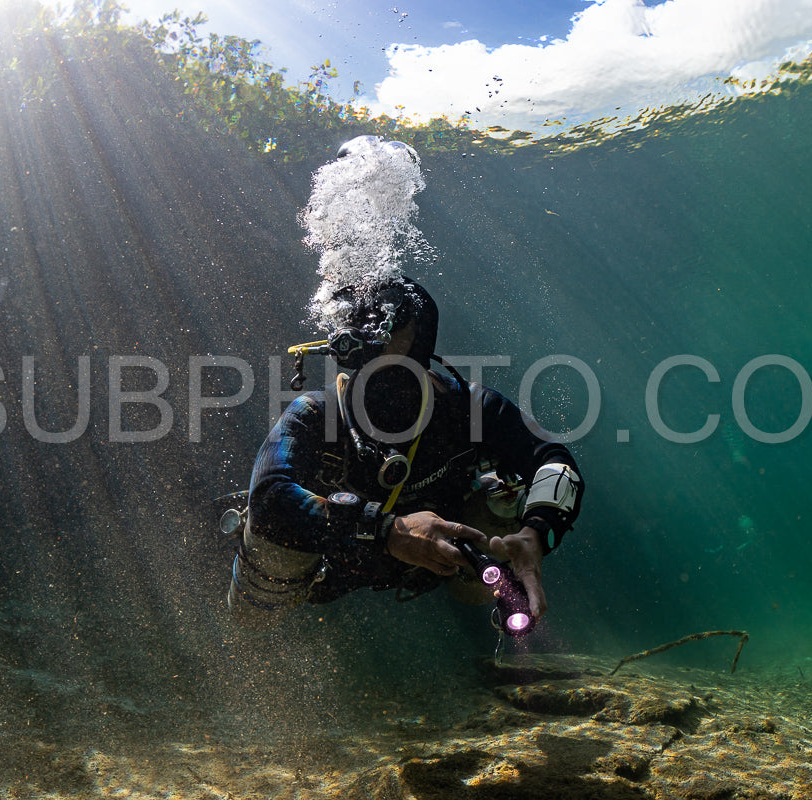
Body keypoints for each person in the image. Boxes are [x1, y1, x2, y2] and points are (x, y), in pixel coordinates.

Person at [225, 137, 583, 632]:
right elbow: (269, 499)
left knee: (506, 496)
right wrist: (386, 529)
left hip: (438, 561)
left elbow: (555, 460)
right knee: (262, 559)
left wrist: (536, 532)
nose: (380, 385)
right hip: (339, 560)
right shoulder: (316, 415)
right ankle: (265, 611)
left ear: (422, 344)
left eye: (392, 361)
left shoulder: (469, 409)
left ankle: (495, 595)